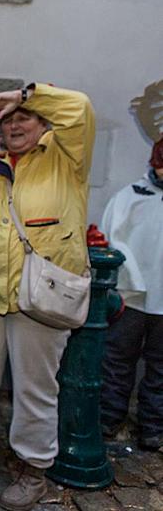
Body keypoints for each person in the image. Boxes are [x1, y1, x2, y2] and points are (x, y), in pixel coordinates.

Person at [0, 83, 95, 511]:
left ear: (42, 122)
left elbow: (81, 108)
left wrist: (24, 95)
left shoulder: (66, 157)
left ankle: (33, 469)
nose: (14, 124)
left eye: (23, 117)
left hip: (41, 296)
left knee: (35, 389)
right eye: (7, 119)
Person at [99, 137, 163, 451]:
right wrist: (133, 278)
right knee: (118, 359)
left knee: (161, 367)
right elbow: (113, 238)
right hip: (133, 295)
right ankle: (110, 417)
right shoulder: (133, 196)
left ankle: (153, 426)